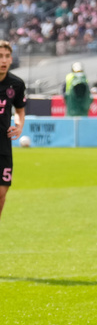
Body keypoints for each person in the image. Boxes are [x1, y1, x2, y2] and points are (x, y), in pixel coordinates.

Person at [0, 41, 26, 222]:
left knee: (2, 191)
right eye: (0, 56)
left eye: (7, 56)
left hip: (3, 143)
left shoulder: (16, 84)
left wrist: (18, 125)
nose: (3, 60)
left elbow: (19, 110)